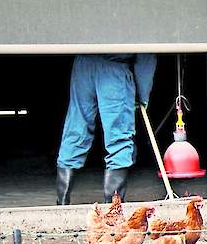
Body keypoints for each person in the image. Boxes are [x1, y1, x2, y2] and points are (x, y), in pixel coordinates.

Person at [56, 53, 156, 204]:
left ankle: (61, 206)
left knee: (75, 130)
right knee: (119, 138)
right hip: (113, 68)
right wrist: (141, 96)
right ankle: (112, 211)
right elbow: (146, 55)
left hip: (83, 65)